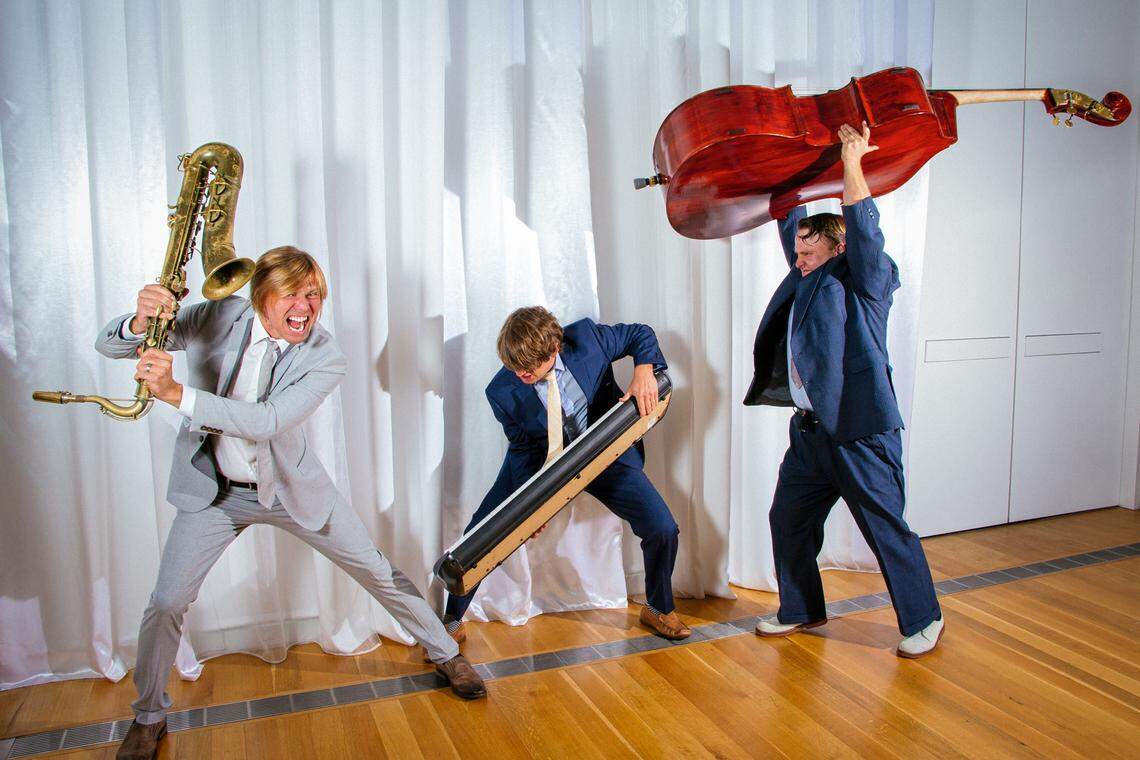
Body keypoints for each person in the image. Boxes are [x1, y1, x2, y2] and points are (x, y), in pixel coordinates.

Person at [102, 247, 484, 760]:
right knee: (167, 601)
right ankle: (148, 717)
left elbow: (265, 421)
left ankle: (445, 652)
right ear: (261, 295)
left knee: (375, 569)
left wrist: (175, 394)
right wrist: (140, 320)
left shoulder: (326, 356)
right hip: (213, 491)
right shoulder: (218, 316)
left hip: (289, 488)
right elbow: (109, 345)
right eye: (294, 294)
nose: (306, 306)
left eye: (314, 295)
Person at [744, 123, 944, 658]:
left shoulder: (866, 282)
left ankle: (924, 617)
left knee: (885, 528)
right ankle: (801, 609)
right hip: (810, 436)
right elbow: (789, 215)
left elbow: (865, 232)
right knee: (788, 520)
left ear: (839, 249)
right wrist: (781, 161)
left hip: (860, 430)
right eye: (799, 253)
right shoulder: (807, 273)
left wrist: (851, 163)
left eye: (811, 252)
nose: (799, 259)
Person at [441, 307, 691, 642]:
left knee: (663, 528)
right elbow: (524, 448)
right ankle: (451, 622)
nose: (522, 374)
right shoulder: (500, 391)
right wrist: (532, 503)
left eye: (530, 368)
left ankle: (658, 608)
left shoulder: (587, 339)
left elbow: (639, 333)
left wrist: (644, 369)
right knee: (485, 531)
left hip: (604, 451)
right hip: (545, 461)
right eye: (515, 367)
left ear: (555, 348)